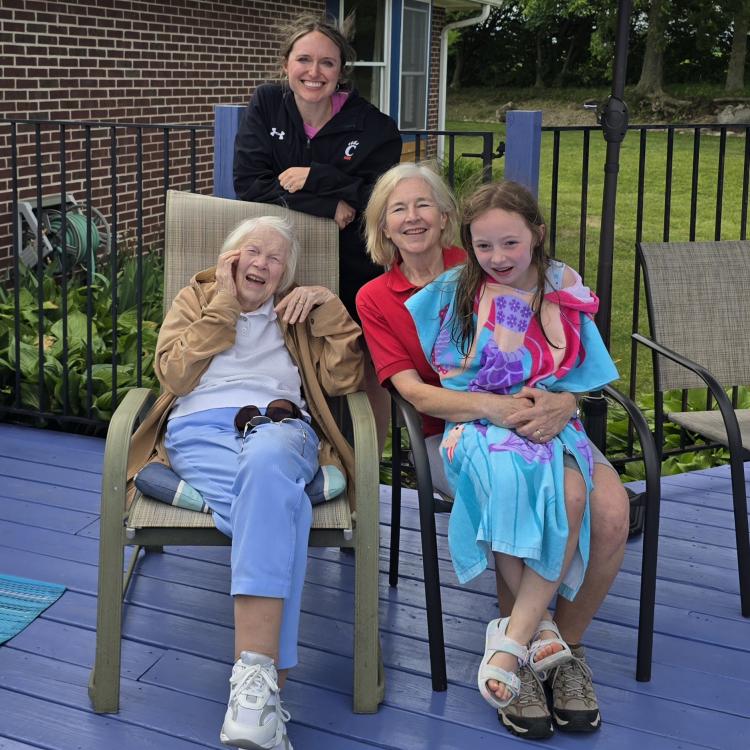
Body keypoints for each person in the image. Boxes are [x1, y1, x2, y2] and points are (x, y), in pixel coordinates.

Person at [357, 164, 630, 740]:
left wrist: (565, 403)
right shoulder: (385, 296)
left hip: (544, 420)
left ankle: (559, 648)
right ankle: (525, 653)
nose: (413, 218)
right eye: (398, 209)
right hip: (456, 432)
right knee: (516, 493)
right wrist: (491, 407)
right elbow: (408, 388)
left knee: (610, 512)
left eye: (423, 205)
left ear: (448, 217)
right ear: (382, 225)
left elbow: (570, 360)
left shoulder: (487, 260)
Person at [127, 215, 364, 750]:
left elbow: (344, 380)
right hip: (198, 432)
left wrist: (330, 312)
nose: (261, 264)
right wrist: (225, 309)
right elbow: (173, 376)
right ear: (228, 259)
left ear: (286, 273)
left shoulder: (298, 311)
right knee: (278, 508)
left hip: (279, 428)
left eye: (275, 258)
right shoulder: (197, 298)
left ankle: (252, 675)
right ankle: (267, 687)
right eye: (251, 253)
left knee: (266, 469)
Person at [233, 13, 403, 320]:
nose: (314, 72)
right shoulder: (267, 104)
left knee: (346, 356)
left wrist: (318, 176)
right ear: (286, 65)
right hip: (277, 263)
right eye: (303, 59)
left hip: (349, 269)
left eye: (327, 62)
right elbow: (249, 185)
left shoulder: (375, 128)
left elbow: (379, 201)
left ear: (341, 71)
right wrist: (327, 205)